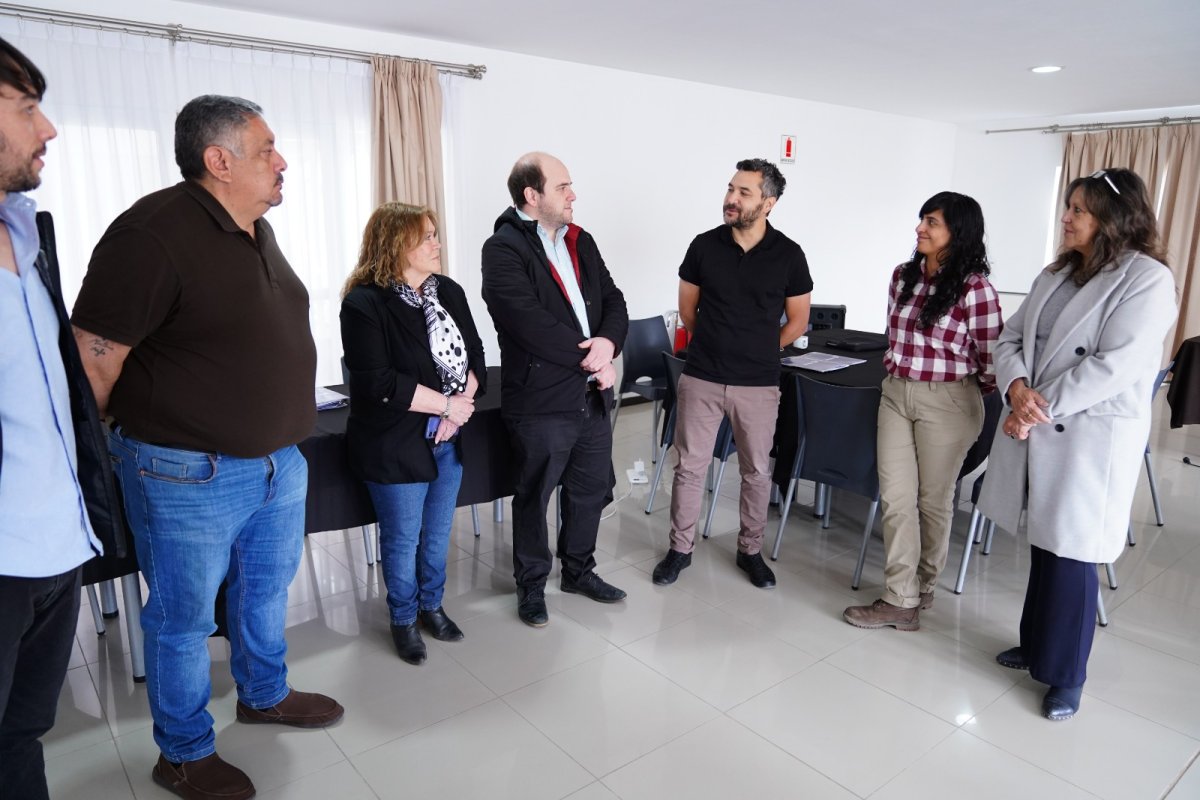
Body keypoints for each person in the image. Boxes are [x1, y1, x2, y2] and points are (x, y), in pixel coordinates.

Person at [71, 95, 343, 800]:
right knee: (183, 619)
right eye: (267, 149)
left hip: (278, 463)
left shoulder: (256, 230)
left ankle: (264, 694)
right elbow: (94, 361)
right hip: (187, 472)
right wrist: (107, 453)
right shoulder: (151, 234)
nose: (282, 162)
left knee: (263, 592)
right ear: (218, 160)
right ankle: (184, 753)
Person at [979, 168, 1177, 721]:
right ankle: (1036, 646)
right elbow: (1010, 337)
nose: (1065, 218)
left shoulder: (1147, 279)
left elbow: (1115, 365)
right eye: (1067, 207)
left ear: (1114, 218)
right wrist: (1016, 387)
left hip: (1088, 433)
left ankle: (1067, 676)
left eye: (1078, 210)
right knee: (1045, 545)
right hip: (1039, 420)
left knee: (1073, 552)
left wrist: (1034, 408)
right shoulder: (1056, 272)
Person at [0, 37, 123, 800]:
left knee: (21, 736)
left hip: (57, 549)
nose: (48, 129)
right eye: (25, 108)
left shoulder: (27, 232)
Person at [481, 152, 629, 627]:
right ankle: (531, 585)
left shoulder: (580, 241)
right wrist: (593, 359)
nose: (573, 195)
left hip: (591, 394)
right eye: (563, 186)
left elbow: (614, 300)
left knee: (588, 490)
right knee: (534, 495)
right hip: (541, 400)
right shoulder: (502, 249)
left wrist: (608, 344)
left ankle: (579, 571)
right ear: (532, 194)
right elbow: (527, 323)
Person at [843, 192, 1002, 630]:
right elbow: (894, 334)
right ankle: (900, 597)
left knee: (933, 501)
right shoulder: (902, 276)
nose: (920, 228)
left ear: (958, 232)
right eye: (921, 219)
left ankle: (923, 584)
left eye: (932, 222)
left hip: (949, 401)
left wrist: (961, 393)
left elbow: (992, 360)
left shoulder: (975, 288)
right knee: (896, 498)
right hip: (896, 393)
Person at [652, 158, 812, 589]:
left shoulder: (789, 255)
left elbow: (798, 320)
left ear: (768, 203)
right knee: (689, 467)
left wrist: (761, 348)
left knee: (756, 471)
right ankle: (680, 549)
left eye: (744, 192)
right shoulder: (703, 245)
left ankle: (750, 551)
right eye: (730, 189)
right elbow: (688, 311)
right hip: (702, 376)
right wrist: (717, 343)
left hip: (758, 383)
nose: (731, 198)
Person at [340, 203, 485, 664]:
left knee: (438, 533)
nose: (437, 243)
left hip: (448, 436)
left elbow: (476, 354)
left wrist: (457, 412)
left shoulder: (449, 291)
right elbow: (380, 383)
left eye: (436, 234)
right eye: (427, 237)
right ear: (395, 244)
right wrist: (447, 406)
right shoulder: (364, 303)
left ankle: (431, 606)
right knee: (403, 539)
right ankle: (403, 619)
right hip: (395, 441)